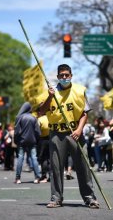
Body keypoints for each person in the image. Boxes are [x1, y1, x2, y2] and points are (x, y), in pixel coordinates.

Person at [39, 64, 99, 209]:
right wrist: (50, 97)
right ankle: (56, 198)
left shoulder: (79, 90)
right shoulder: (50, 91)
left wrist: (79, 130)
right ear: (58, 77)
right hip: (56, 134)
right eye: (61, 75)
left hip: (75, 133)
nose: (64, 77)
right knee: (56, 167)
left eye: (66, 75)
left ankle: (89, 198)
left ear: (71, 75)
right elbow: (41, 111)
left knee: (83, 166)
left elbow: (85, 113)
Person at [14, 102, 41, 184]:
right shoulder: (33, 118)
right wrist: (36, 140)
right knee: (34, 158)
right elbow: (38, 132)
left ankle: (18, 178)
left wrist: (16, 140)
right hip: (32, 141)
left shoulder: (20, 118)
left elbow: (17, 132)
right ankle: (37, 178)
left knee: (20, 159)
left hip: (22, 141)